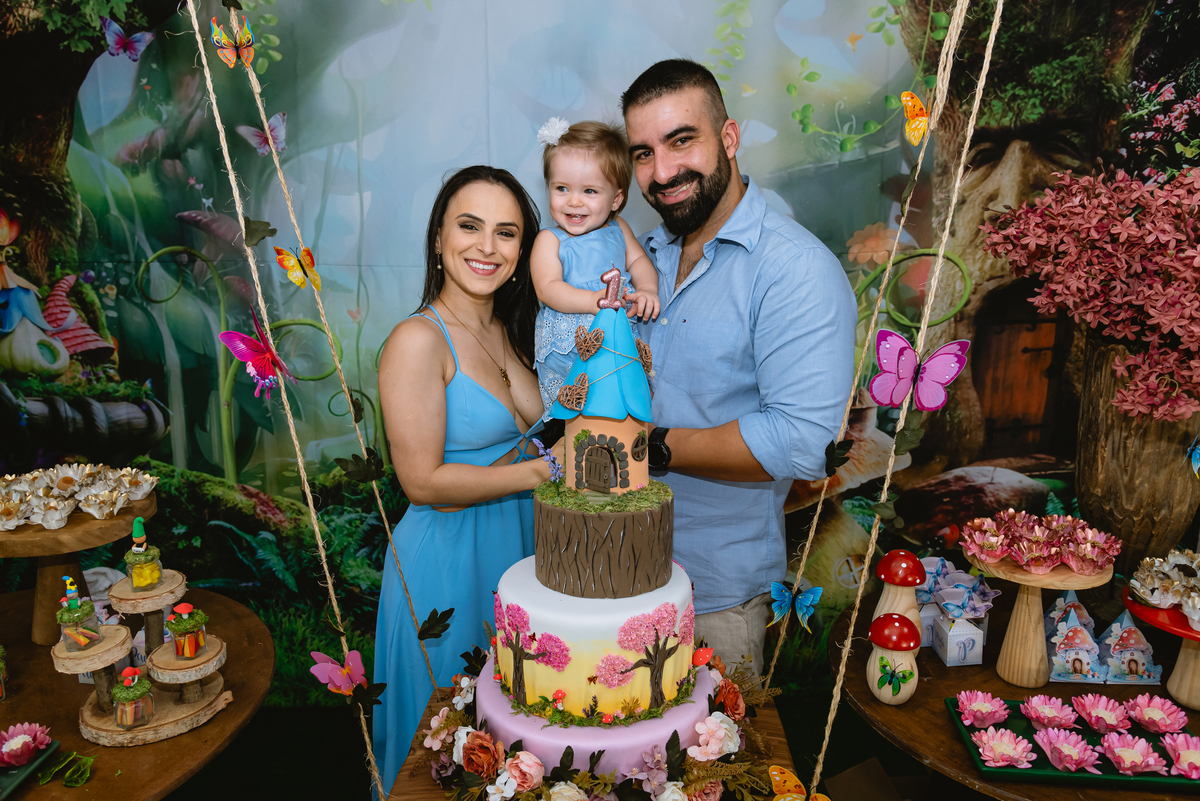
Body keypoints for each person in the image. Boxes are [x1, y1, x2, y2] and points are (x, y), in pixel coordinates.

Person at [621, 59, 856, 675]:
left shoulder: (794, 269)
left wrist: (647, 448)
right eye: (642, 153)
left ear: (728, 138)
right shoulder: (638, 258)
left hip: (715, 601)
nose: (662, 171)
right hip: (613, 575)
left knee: (713, 770)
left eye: (681, 141)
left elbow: (802, 442)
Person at [373, 165, 551, 791]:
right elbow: (421, 481)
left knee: (512, 751)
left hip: (515, 554)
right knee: (447, 754)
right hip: (446, 563)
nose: (487, 246)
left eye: (507, 233)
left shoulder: (510, 329)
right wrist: (541, 473)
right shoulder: (418, 340)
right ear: (439, 239)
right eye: (469, 226)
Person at [531, 118, 661, 413]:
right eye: (562, 188)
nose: (574, 201)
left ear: (616, 199)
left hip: (616, 334)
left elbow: (639, 261)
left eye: (589, 191)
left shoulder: (619, 229)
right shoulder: (550, 240)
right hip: (570, 339)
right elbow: (548, 288)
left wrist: (648, 290)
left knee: (620, 394)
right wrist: (594, 301)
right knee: (578, 401)